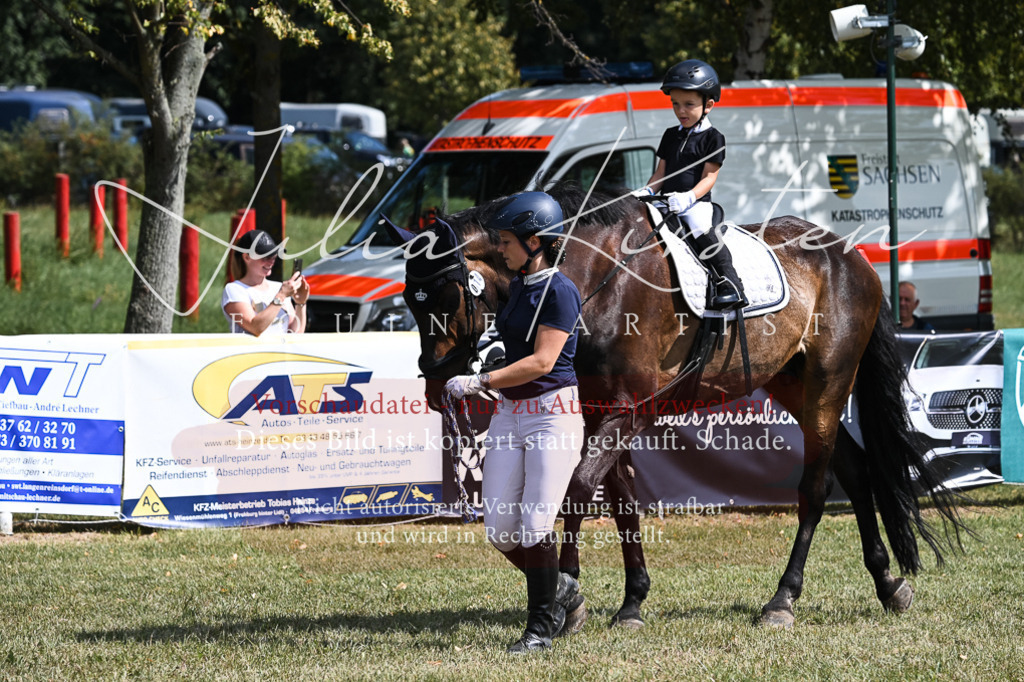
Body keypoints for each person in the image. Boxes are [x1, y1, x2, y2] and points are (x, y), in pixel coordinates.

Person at [444, 191, 587, 654]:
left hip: (552, 415)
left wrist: (479, 380)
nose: (500, 249)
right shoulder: (518, 287)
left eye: (506, 241)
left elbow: (544, 361)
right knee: (500, 529)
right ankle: (561, 589)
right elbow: (512, 345)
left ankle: (540, 630)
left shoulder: (560, 290)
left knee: (535, 525)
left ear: (536, 242)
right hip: (511, 414)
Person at [633, 59, 746, 310]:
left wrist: (688, 197)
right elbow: (660, 173)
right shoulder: (670, 135)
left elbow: (709, 178)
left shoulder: (713, 138)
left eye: (688, 105)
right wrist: (647, 191)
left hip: (695, 204)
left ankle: (730, 283)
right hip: (666, 201)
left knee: (701, 228)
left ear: (709, 105)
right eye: (675, 104)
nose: (680, 111)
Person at [222, 229, 309, 335]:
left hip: (281, 351)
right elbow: (255, 327)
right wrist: (281, 296)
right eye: (265, 256)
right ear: (247, 257)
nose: (271, 261)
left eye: (274, 255)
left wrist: (301, 303)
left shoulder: (279, 287)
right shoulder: (235, 289)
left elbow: (295, 333)